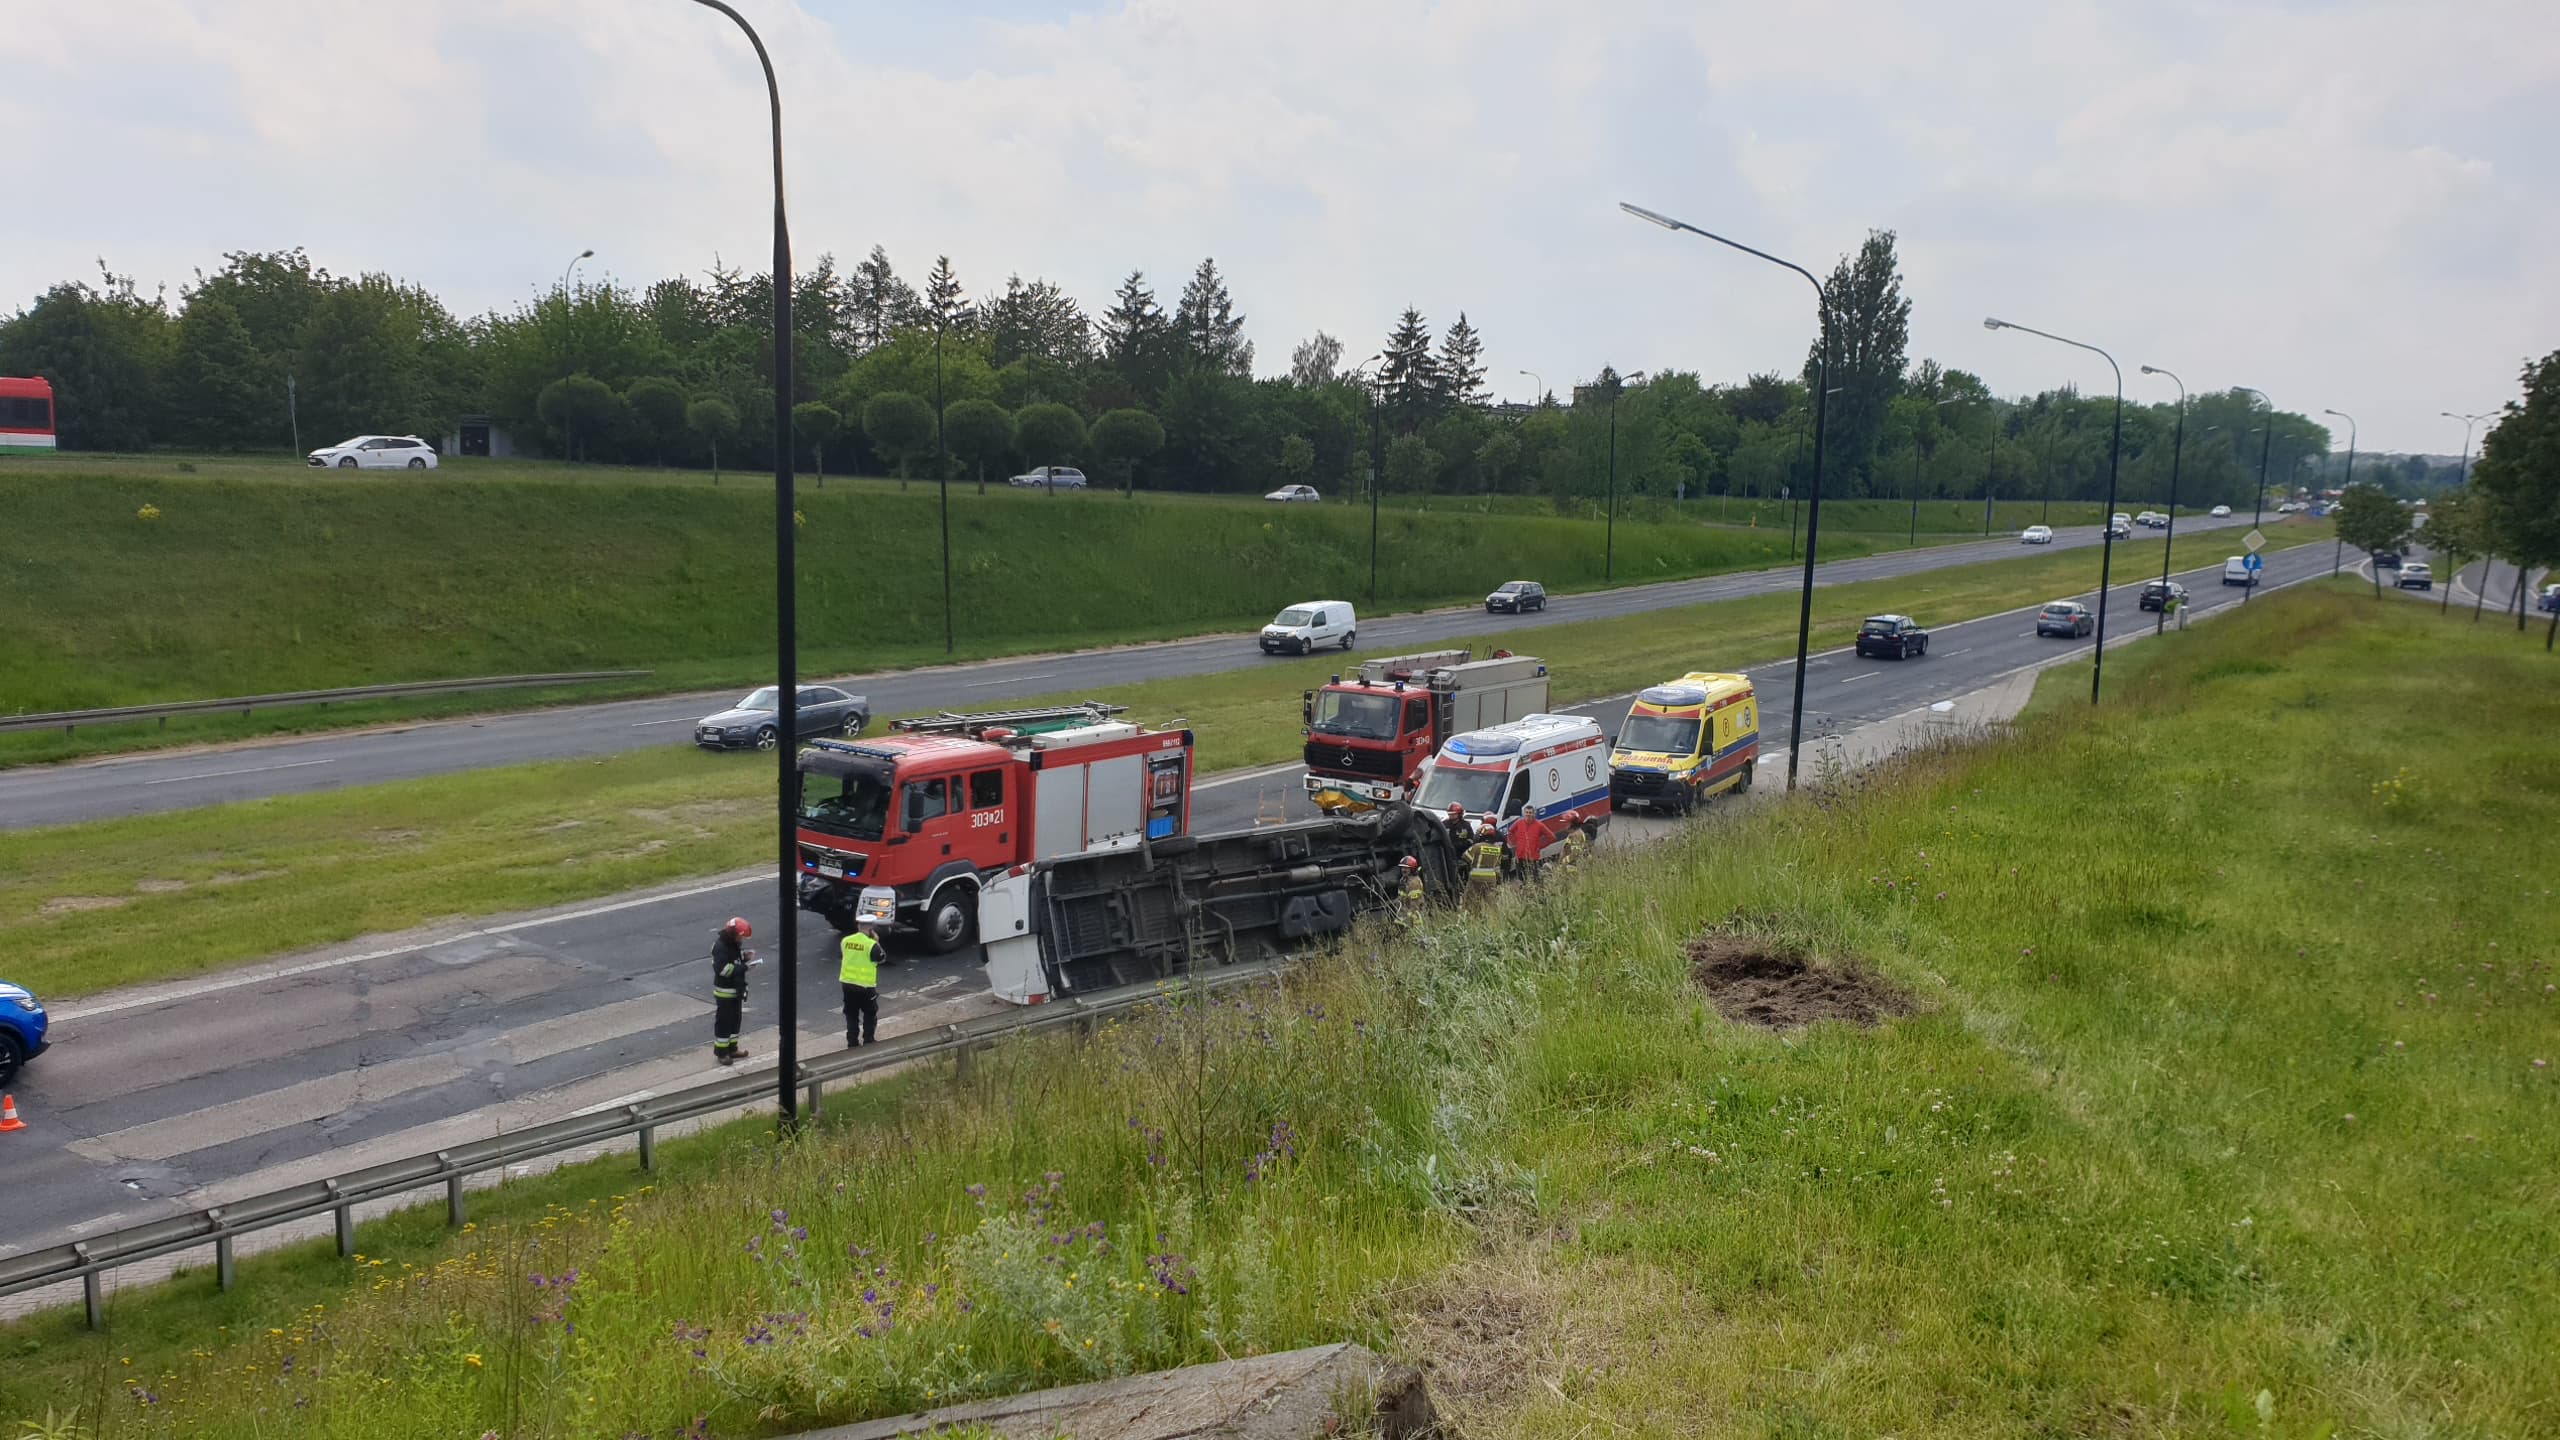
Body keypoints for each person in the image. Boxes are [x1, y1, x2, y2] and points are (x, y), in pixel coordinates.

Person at [710, 917, 754, 1065]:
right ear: (733, 933)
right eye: (741, 936)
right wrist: (744, 967)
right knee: (724, 1023)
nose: (741, 939)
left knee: (735, 1021)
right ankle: (722, 1053)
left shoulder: (732, 943)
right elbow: (724, 970)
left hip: (736, 990)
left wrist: (744, 957)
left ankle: (732, 1049)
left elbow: (734, 959)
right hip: (725, 993)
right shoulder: (720, 947)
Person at [841, 918, 883, 1048]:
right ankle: (868, 1040)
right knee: (870, 1013)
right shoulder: (871, 944)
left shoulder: (846, 941)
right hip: (866, 986)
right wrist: (876, 941)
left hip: (847, 984)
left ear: (859, 926)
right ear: (872, 928)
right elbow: (881, 958)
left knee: (851, 1013)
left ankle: (852, 1042)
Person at [1508, 804, 1556, 882]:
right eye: (1526, 812)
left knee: (1534, 879)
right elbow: (1510, 832)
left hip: (1532, 858)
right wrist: (1515, 843)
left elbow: (1552, 837)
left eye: (1530, 812)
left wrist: (1540, 846)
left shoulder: (1539, 825)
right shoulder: (1519, 823)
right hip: (1519, 857)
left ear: (1534, 814)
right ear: (1523, 814)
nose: (1528, 814)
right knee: (1521, 879)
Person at [1465, 820, 1507, 900]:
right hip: (1491, 879)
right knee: (1490, 902)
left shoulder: (1477, 846)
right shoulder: (1497, 849)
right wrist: (1499, 879)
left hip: (1475, 878)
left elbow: (1466, 858)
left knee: (1470, 902)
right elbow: (1497, 867)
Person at [1394, 854, 1428, 928]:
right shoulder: (1404, 880)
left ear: (1412, 869)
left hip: (1415, 919)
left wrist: (1406, 918)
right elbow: (1402, 898)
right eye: (1402, 867)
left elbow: (1414, 905)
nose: (1403, 870)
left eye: (1406, 868)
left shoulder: (1414, 883)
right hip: (1405, 915)